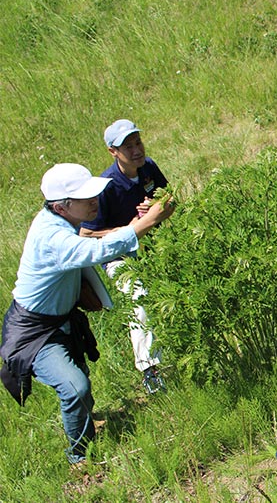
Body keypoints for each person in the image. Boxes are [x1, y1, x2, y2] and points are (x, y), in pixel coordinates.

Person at [0, 163, 174, 463]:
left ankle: (86, 426)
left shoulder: (61, 222)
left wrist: (134, 222)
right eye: (86, 198)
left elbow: (93, 242)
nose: (95, 201)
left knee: (80, 382)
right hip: (34, 330)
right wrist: (144, 225)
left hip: (60, 318)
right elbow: (96, 251)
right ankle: (79, 459)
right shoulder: (52, 236)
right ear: (61, 206)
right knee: (75, 388)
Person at [79, 119, 169, 393]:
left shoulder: (148, 168)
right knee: (139, 296)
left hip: (155, 249)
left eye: (138, 143)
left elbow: (170, 198)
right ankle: (149, 370)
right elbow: (85, 233)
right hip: (120, 259)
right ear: (113, 151)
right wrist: (127, 230)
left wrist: (157, 205)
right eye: (127, 147)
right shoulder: (105, 186)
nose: (136, 151)